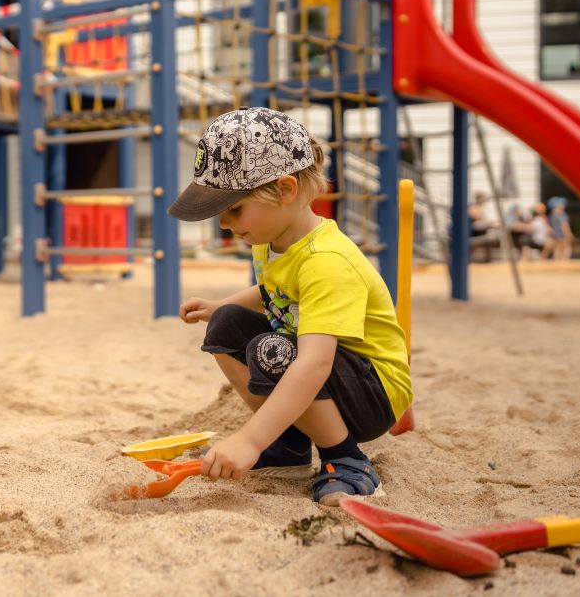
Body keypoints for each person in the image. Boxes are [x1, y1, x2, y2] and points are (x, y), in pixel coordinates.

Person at [169, 108, 412, 506]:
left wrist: (249, 439)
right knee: (228, 325)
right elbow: (274, 289)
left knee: (273, 349)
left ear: (285, 190)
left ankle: (347, 460)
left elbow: (315, 363)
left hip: (373, 392)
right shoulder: (271, 239)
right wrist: (220, 306)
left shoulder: (327, 260)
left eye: (234, 209)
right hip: (323, 369)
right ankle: (289, 446)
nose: (225, 225)